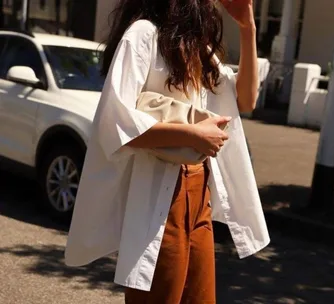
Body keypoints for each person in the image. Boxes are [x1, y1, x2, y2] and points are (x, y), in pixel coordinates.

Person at [65, 0, 270, 303]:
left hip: (201, 195)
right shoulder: (143, 34)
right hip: (163, 194)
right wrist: (191, 134)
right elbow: (114, 121)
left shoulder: (200, 46)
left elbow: (247, 100)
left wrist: (247, 27)